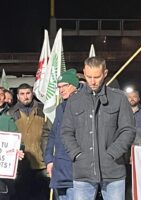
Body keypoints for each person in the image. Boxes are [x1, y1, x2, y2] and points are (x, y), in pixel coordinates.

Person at [61, 57, 136, 200]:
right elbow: (66, 132)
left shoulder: (119, 98)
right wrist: (77, 154)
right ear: (84, 73)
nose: (93, 81)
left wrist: (113, 154)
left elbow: (128, 130)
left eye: (97, 76)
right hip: (83, 171)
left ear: (105, 73)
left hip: (113, 170)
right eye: (89, 77)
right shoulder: (74, 100)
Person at [8, 83, 50, 200]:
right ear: (17, 96)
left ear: (32, 93)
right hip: (20, 164)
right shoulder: (11, 113)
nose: (25, 96)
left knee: (42, 195)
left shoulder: (44, 110)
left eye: (28, 93)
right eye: (22, 94)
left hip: (41, 162)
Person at [44, 68, 79, 200]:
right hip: (59, 170)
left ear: (74, 85)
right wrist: (48, 159)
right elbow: (53, 135)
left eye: (65, 85)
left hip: (75, 171)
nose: (61, 90)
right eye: (59, 87)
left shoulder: (85, 105)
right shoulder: (60, 107)